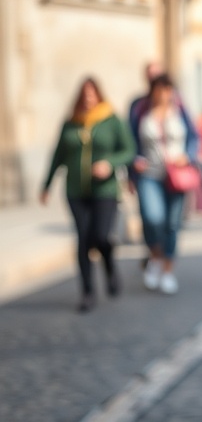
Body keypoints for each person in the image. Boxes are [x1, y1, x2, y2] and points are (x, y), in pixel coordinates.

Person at [41, 77, 135, 312]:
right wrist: (46, 185)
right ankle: (88, 292)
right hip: (75, 190)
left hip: (105, 190)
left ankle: (110, 266)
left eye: (92, 95)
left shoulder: (112, 120)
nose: (88, 100)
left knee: (101, 236)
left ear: (98, 96)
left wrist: (109, 163)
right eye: (84, 96)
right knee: (83, 239)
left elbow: (129, 150)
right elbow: (58, 155)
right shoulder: (71, 123)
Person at [133, 74, 199, 295]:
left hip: (176, 175)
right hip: (150, 174)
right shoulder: (141, 111)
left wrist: (187, 156)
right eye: (159, 89)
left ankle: (168, 270)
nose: (163, 94)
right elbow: (130, 140)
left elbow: (194, 137)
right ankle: (156, 256)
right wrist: (134, 160)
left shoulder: (180, 110)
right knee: (153, 218)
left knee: (172, 223)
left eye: (167, 89)